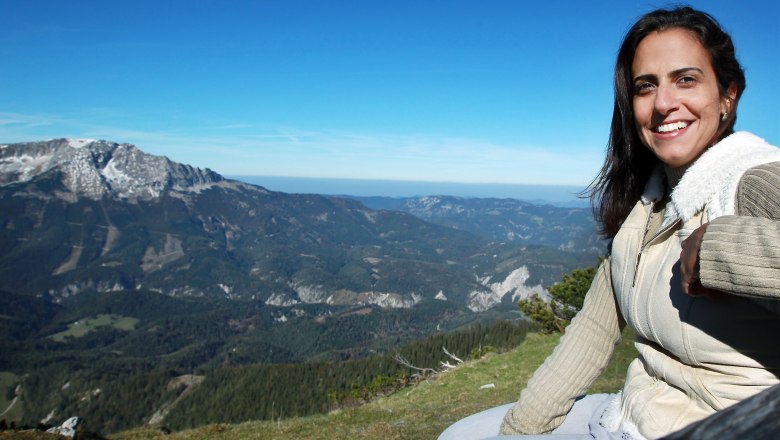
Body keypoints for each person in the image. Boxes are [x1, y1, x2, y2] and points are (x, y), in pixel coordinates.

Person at [439, 6, 780, 440]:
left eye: (686, 79)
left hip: (723, 425)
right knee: (462, 434)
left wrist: (719, 249)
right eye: (646, 86)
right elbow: (594, 329)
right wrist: (521, 429)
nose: (663, 103)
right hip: (628, 415)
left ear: (728, 95)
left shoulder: (752, 178)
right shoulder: (645, 206)